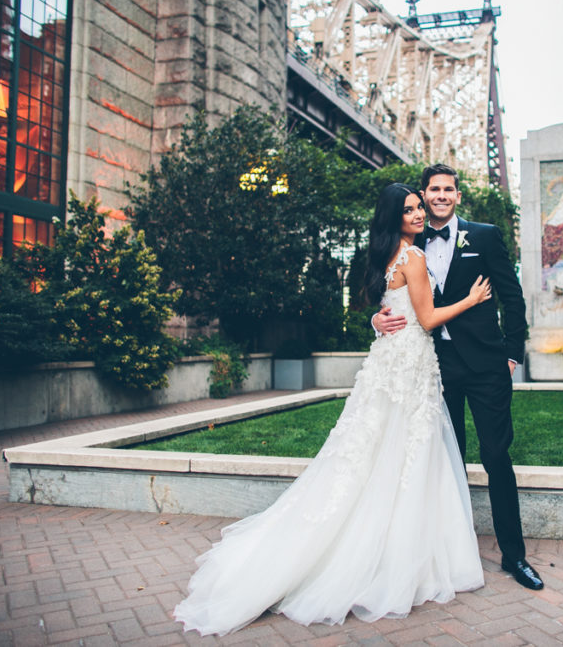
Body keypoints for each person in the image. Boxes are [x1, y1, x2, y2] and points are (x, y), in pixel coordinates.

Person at [174, 183, 491, 636]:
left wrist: (376, 319)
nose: (419, 214)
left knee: (373, 452)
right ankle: (397, 558)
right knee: (407, 453)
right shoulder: (415, 258)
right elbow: (427, 319)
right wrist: (470, 301)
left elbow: (388, 306)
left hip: (389, 364)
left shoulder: (386, 258)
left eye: (420, 207)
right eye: (410, 210)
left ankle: (382, 545)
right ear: (394, 218)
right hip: (408, 367)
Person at [372, 163, 544, 591]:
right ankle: (453, 553)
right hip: (437, 364)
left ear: (458, 195)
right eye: (434, 190)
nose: (441, 196)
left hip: (487, 366)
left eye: (449, 189)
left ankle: (514, 556)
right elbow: (385, 288)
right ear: (425, 195)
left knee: (496, 456)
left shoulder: (484, 236)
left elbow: (512, 294)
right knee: (446, 460)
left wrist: (513, 353)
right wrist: (376, 320)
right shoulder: (409, 238)